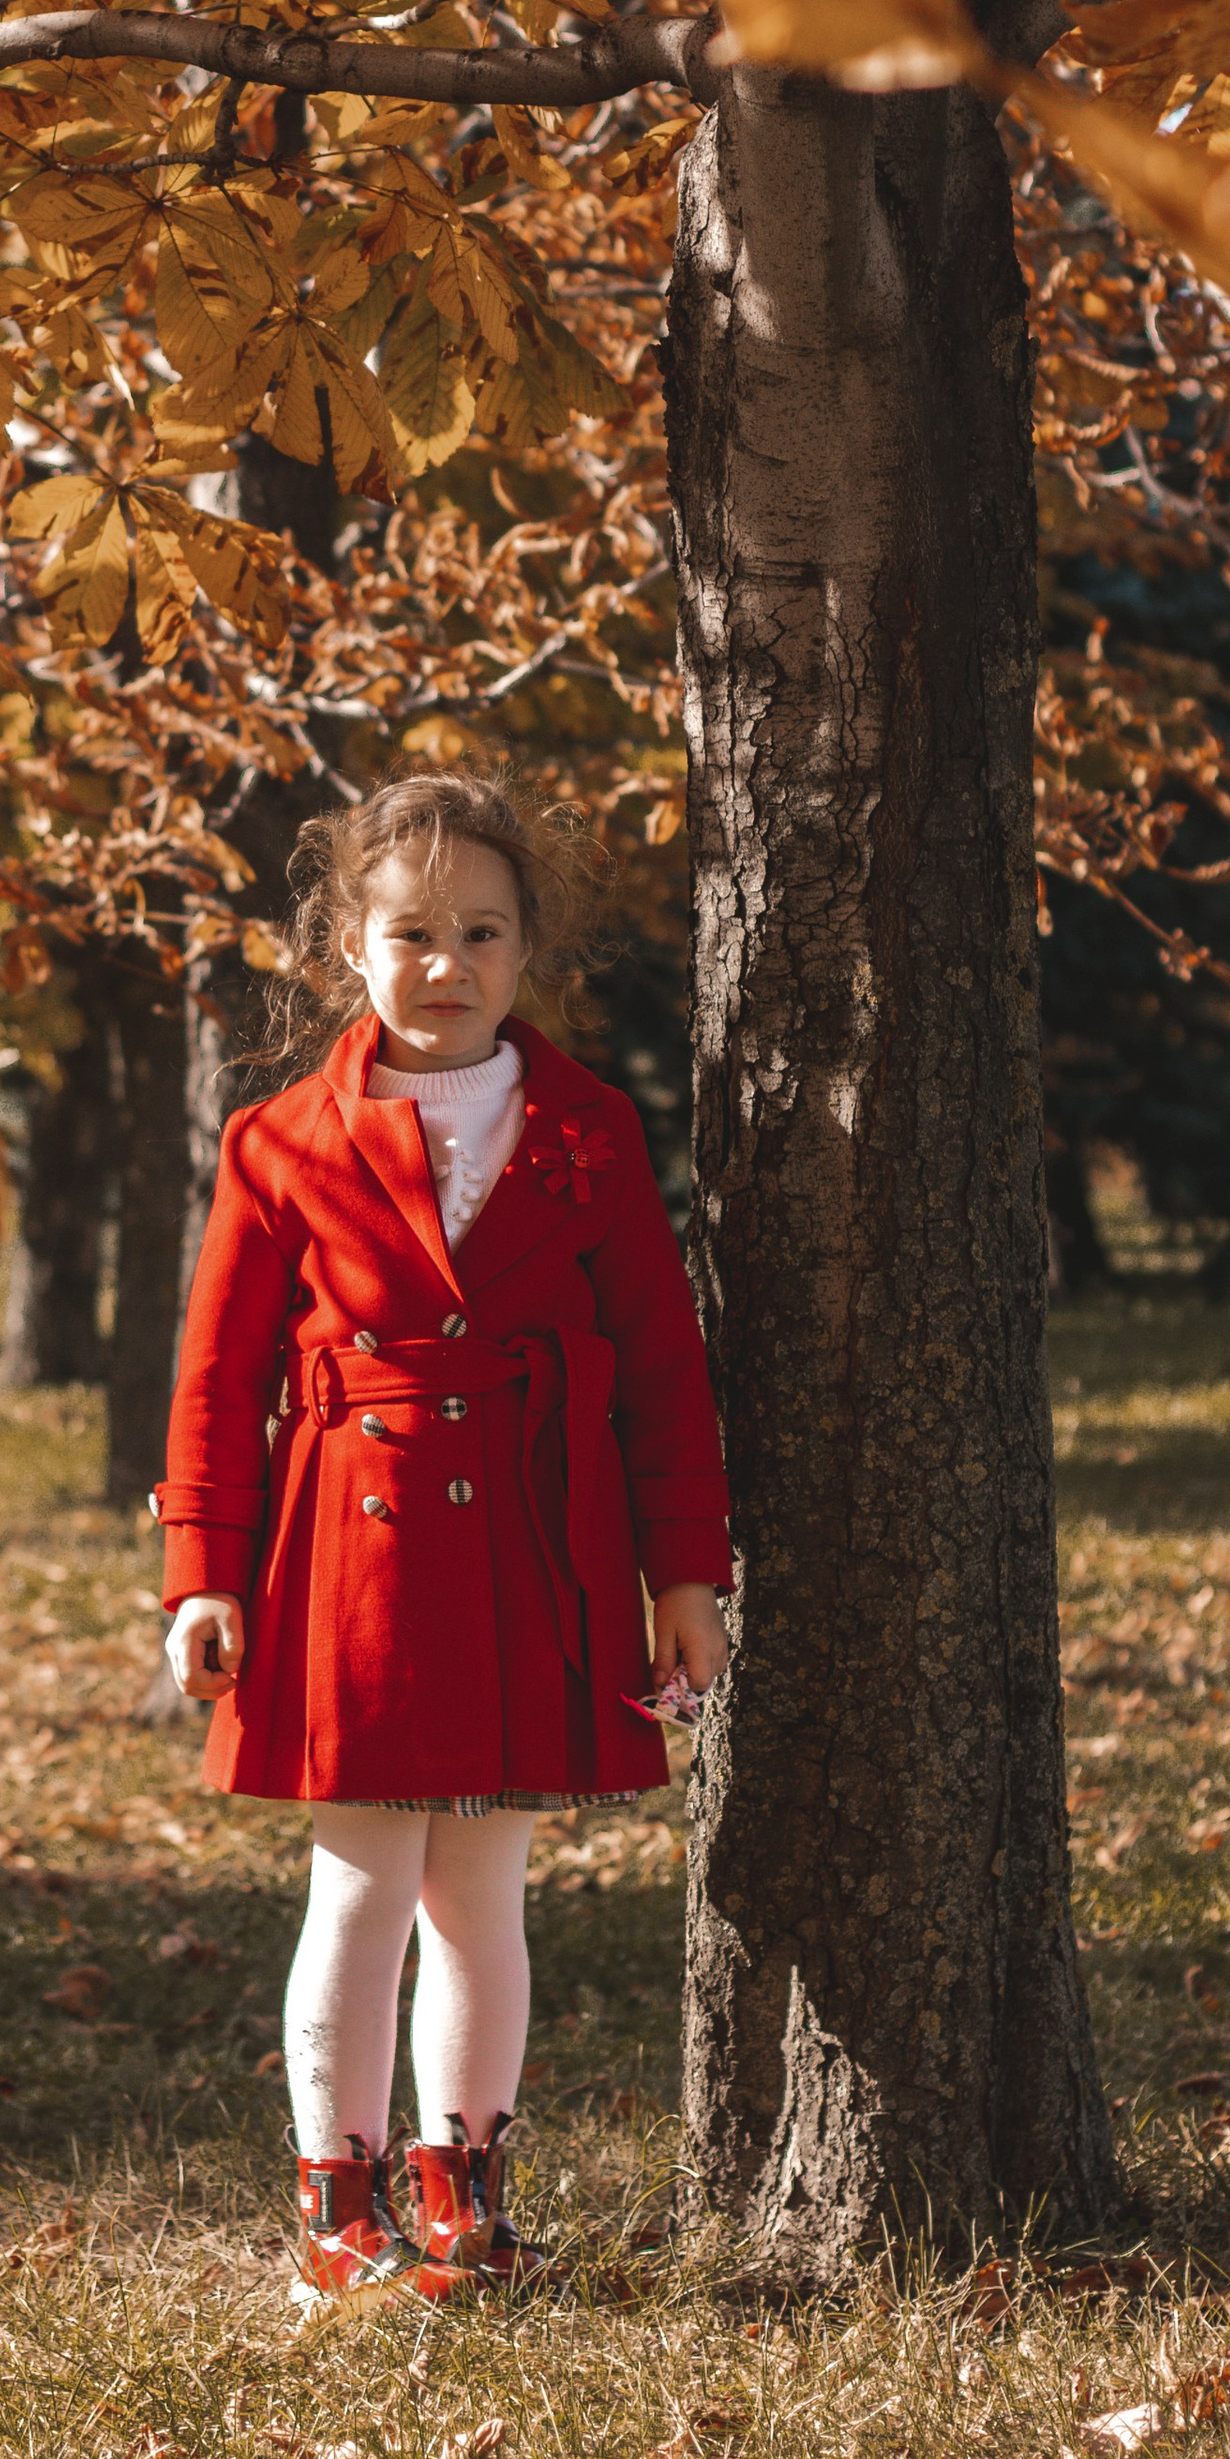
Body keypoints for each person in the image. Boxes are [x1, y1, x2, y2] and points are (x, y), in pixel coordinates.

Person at [157, 765, 732, 2304]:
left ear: (524, 951)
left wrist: (685, 1575)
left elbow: (664, 1369)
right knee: (360, 1883)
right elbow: (216, 1378)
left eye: (482, 933)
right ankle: (333, 2205)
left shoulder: (593, 1131)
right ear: (350, 944)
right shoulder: (280, 1142)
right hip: (356, 1554)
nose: (448, 966)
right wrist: (202, 1570)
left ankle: (463, 2187)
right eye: (411, 933)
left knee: (485, 1892)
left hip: (541, 1541)